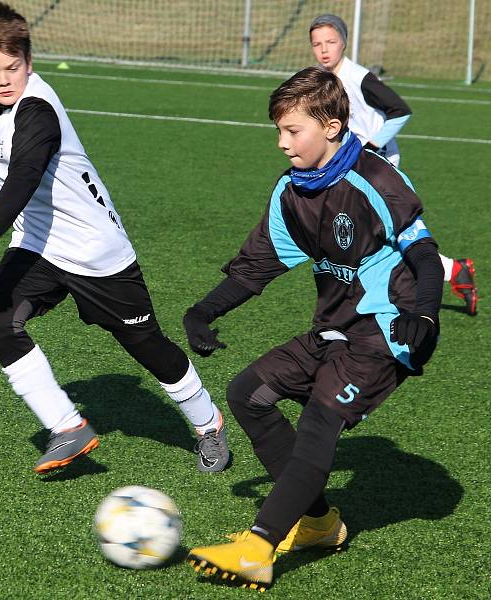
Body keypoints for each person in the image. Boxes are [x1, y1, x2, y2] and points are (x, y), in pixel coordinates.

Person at [185, 67, 443, 590]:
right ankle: (321, 524)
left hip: (388, 328)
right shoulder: (292, 190)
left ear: (330, 126)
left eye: (292, 130)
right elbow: (260, 263)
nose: (282, 143)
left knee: (319, 424)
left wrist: (427, 315)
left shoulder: (376, 180)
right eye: (278, 131)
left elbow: (426, 257)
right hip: (334, 328)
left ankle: (259, 546)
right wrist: (203, 311)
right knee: (248, 394)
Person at [0, 2, 229, 474]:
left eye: (13, 68)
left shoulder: (38, 108)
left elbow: (22, 176)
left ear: (30, 62)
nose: (3, 80)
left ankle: (208, 423)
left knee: (147, 345)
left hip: (95, 249)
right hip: (37, 245)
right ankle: (67, 427)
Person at [309, 14, 477, 315]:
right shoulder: (324, 79)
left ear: (344, 42)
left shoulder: (359, 77)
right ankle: (449, 271)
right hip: (353, 165)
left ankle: (446, 273)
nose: (324, 49)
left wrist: (372, 144)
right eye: (317, 44)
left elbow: (400, 110)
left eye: (331, 42)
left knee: (386, 232)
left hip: (379, 165)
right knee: (370, 233)